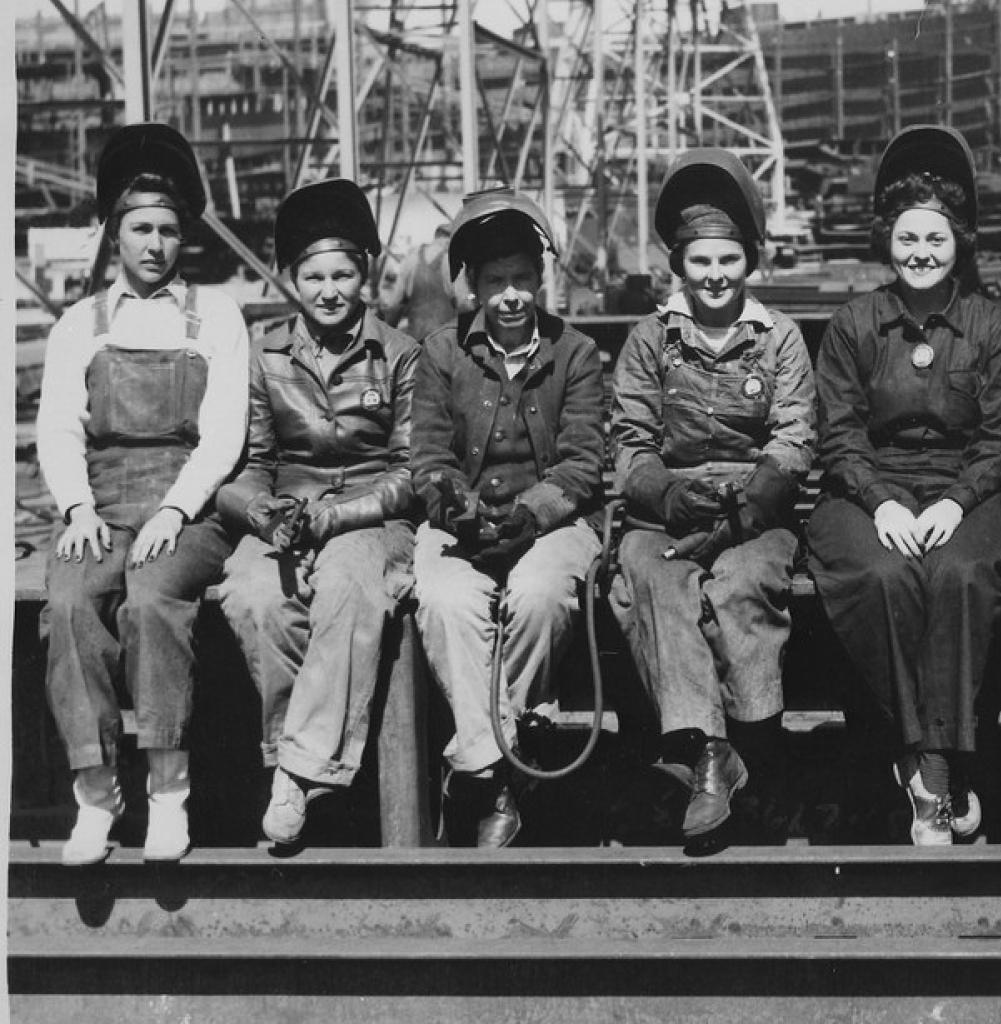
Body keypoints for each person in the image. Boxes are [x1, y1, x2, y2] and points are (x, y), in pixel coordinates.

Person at [37, 123, 249, 865]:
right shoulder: (80, 324)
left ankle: (168, 791)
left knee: (153, 599)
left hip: (188, 501)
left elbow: (223, 434)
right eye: (139, 229)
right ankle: (95, 796)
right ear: (115, 234)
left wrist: (175, 509)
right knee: (67, 603)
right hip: (103, 500)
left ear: (181, 236)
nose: (155, 243)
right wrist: (76, 509)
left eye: (166, 229)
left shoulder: (215, 314)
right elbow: (58, 428)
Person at [805, 126, 1001, 846]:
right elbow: (837, 432)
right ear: (886, 242)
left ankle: (932, 765)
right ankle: (933, 770)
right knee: (880, 574)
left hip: (967, 490)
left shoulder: (988, 326)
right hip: (869, 490)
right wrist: (881, 500)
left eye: (935, 239)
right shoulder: (855, 323)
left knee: (961, 574)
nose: (920, 253)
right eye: (906, 239)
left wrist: (959, 501)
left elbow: (998, 438)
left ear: (959, 242)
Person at [608, 149, 816, 844]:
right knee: (655, 580)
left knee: (740, 585)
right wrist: (667, 498)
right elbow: (630, 441)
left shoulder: (778, 338)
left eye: (728, 260)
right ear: (679, 266)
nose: (715, 276)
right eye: (700, 262)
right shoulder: (650, 340)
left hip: (755, 512)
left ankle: (758, 748)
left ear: (749, 262)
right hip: (668, 510)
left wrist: (744, 512)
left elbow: (792, 439)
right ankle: (707, 753)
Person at [213, 179, 420, 847]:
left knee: (345, 587)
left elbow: (410, 469)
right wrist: (267, 515)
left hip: (371, 514)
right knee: (251, 595)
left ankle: (297, 775)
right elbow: (249, 465)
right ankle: (298, 765)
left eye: (343, 274)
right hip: (291, 508)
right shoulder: (263, 351)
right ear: (292, 280)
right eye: (313, 276)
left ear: (364, 274)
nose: (329, 290)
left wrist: (342, 517)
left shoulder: (399, 353)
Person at [410, 188, 605, 848]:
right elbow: (429, 457)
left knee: (542, 594)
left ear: (540, 278)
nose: (512, 296)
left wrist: (531, 514)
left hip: (551, 524)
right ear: (473, 286)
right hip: (462, 527)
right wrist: (453, 507)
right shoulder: (440, 355)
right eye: (496, 282)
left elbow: (582, 464)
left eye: (523, 278)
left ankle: (476, 765)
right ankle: (498, 774)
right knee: (443, 599)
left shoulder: (575, 354)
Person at [380, 221, 463, 341]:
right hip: (446, 343)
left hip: (416, 339)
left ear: (436, 237)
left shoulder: (412, 258)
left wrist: (387, 335)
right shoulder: (452, 261)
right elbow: (465, 304)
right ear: (450, 239)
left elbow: (395, 303)